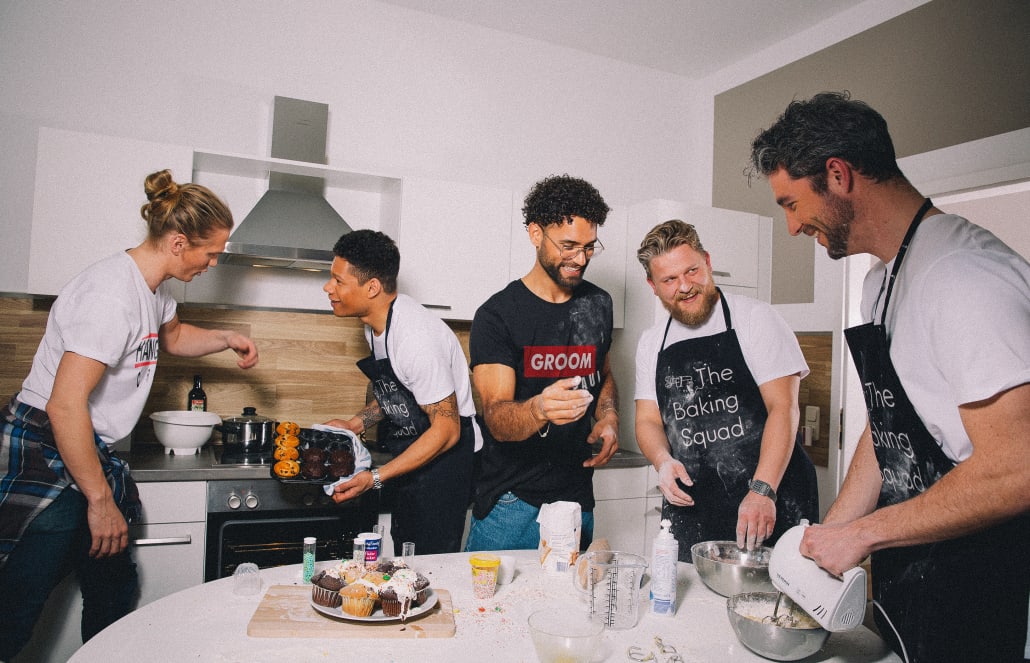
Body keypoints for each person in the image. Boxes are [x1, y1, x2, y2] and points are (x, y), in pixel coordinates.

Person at [749, 91, 1030, 663]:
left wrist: (864, 535)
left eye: (792, 203)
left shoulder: (964, 276)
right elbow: (890, 430)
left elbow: (1016, 467)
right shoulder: (882, 283)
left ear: (838, 174)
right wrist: (826, 540)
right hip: (909, 577)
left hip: (977, 581)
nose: (792, 226)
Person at [0, 169, 259, 660]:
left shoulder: (154, 290)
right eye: (211, 253)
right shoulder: (109, 295)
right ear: (179, 242)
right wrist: (99, 501)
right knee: (17, 601)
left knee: (113, 588)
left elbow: (174, 337)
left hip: (85, 445)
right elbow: (65, 404)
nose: (212, 263)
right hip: (47, 443)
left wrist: (227, 338)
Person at [634, 219, 818, 561]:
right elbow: (647, 420)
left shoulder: (756, 320)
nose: (685, 286)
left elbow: (784, 408)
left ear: (708, 261)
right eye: (670, 280)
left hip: (769, 497)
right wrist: (662, 461)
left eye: (692, 271)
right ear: (653, 285)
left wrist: (763, 489)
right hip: (692, 505)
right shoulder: (652, 343)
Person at [465, 174, 619, 552]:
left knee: (570, 608)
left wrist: (609, 416)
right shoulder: (497, 315)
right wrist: (538, 409)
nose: (580, 259)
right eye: (568, 246)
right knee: (482, 608)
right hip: (512, 503)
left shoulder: (598, 305)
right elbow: (497, 418)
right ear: (536, 234)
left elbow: (604, 374)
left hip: (576, 502)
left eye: (588, 247)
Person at [322, 229, 478, 555]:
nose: (328, 288)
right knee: (407, 561)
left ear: (372, 287)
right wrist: (355, 424)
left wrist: (375, 478)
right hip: (415, 460)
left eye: (338, 281)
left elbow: (447, 429)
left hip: (444, 468)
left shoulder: (414, 338)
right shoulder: (375, 326)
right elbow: (401, 393)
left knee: (431, 569)